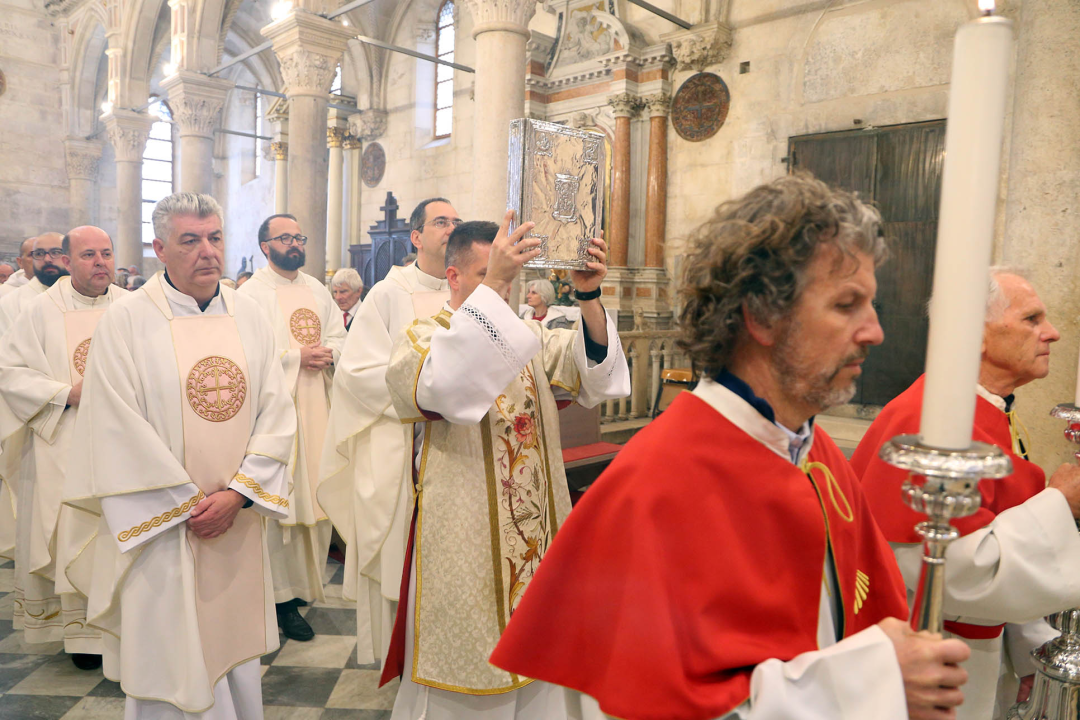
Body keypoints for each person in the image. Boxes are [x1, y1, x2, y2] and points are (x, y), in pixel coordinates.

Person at [490, 175, 971, 720]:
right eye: (846, 305)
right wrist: (871, 683)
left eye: (871, 304)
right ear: (762, 317)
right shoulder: (659, 484)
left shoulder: (817, 456)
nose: (875, 332)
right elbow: (645, 708)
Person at [380, 216, 630, 719]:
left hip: (538, 536)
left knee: (543, 663)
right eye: (489, 273)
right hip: (467, 542)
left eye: (511, 277)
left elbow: (597, 376)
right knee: (471, 672)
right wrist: (494, 283)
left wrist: (588, 296)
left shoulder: (528, 336)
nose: (506, 288)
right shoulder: (422, 338)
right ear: (453, 277)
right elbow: (442, 388)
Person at [63, 193, 296, 718]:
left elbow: (277, 412)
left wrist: (239, 495)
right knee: (171, 658)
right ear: (161, 248)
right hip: (168, 529)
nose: (207, 251)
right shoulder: (127, 320)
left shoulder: (251, 315)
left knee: (232, 650)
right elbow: (115, 427)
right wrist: (188, 505)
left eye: (215, 237)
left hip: (235, 523)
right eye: (190, 240)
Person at [852, 267, 1080, 720]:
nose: (1052, 333)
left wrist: (1029, 646)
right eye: (1031, 319)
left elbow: (1000, 527)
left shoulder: (989, 413)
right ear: (974, 335)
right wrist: (1058, 503)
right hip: (927, 656)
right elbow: (951, 574)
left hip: (974, 650)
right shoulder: (930, 424)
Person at [319, 197, 458, 667]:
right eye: (441, 222)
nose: (451, 228)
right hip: (403, 448)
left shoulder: (472, 292)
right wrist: (427, 392)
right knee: (402, 563)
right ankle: (403, 664)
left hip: (459, 451)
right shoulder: (388, 294)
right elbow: (357, 373)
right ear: (416, 237)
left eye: (456, 222)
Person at [0, 226, 123, 670]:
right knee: (72, 530)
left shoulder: (133, 308)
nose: (100, 262)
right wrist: (65, 394)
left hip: (122, 446)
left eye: (106, 253)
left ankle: (122, 626)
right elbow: (10, 372)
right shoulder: (38, 311)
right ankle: (83, 635)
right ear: (67, 261)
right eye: (89, 255)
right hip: (62, 440)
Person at [238, 213, 346, 641]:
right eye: (285, 238)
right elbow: (245, 354)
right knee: (279, 506)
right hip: (275, 413)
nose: (295, 244)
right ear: (265, 246)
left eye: (299, 237)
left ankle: (304, 588)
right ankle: (280, 599)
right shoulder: (250, 295)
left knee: (315, 501)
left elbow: (340, 336)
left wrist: (330, 353)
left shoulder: (317, 289)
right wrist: (295, 357)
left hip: (319, 406)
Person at [0, 233, 64, 335]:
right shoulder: (9, 303)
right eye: (39, 254)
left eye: (56, 252)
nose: (47, 259)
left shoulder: (85, 293)